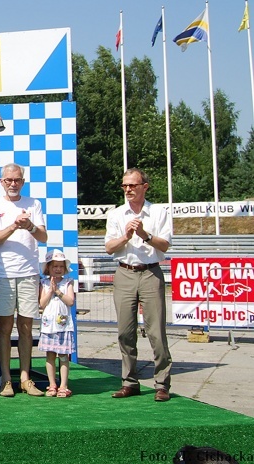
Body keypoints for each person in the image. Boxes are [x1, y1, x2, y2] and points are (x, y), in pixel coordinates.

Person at [104, 168, 173, 402]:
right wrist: (126, 237)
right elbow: (109, 247)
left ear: (145, 186)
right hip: (125, 272)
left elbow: (165, 245)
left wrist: (145, 235)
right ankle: (129, 382)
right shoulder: (116, 214)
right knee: (125, 331)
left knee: (156, 332)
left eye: (132, 185)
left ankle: (162, 384)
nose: (128, 189)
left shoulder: (158, 212)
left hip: (150, 272)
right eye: (124, 185)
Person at [0, 162, 48, 397]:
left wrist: (30, 226)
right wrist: (14, 225)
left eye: (17, 180)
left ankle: (25, 378)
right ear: (2, 182)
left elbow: (43, 236)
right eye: (9, 180)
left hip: (29, 272)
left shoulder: (34, 204)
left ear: (23, 181)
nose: (13, 184)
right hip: (4, 273)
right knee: (4, 326)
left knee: (26, 327)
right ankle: (5, 379)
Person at [38, 249, 76, 398]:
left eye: (61, 266)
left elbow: (70, 301)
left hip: (63, 326)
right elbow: (42, 303)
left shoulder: (68, 282)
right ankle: (52, 384)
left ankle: (63, 385)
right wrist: (50, 291)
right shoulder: (44, 283)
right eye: (55, 266)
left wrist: (58, 292)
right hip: (48, 326)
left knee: (64, 356)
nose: (58, 269)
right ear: (48, 268)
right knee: (50, 355)